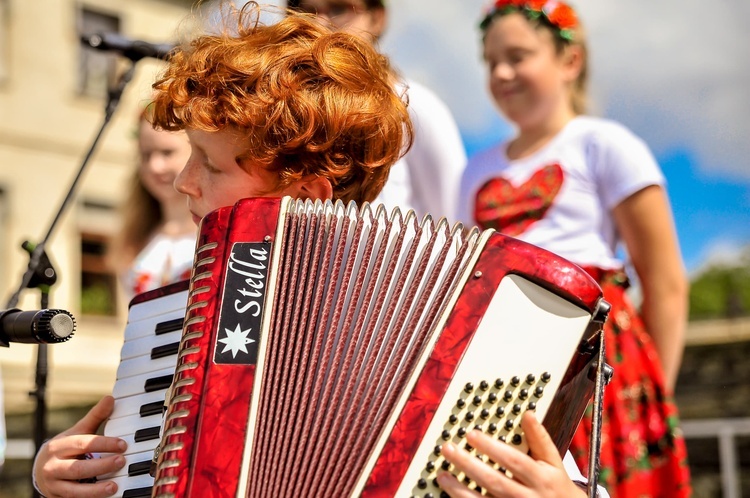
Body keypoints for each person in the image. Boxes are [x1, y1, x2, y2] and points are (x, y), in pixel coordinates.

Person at [32, 4, 605, 497]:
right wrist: (69, 476)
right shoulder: (181, 318)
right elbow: (136, 466)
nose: (184, 181)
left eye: (209, 163)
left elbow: (562, 475)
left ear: (305, 193)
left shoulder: (475, 324)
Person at [457, 1, 691, 496]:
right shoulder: (475, 171)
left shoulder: (603, 144)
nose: (501, 72)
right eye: (490, 61)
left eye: (518, 56)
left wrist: (649, 399)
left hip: (599, 367)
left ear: (570, 61)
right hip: (508, 369)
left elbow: (666, 283)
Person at [288, 0, 467, 221]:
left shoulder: (416, 106)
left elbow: (455, 221)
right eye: (305, 11)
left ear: (376, 18)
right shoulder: (282, 111)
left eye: (338, 9)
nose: (319, 22)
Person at [106, 110, 195, 301]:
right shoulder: (136, 234)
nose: (155, 166)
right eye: (146, 155)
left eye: (167, 152)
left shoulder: (217, 228)